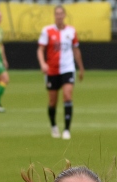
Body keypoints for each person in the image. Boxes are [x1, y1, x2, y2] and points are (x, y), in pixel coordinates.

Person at [37, 5, 84, 140]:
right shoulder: (47, 31)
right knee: (52, 101)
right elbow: (40, 49)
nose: (59, 16)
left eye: (61, 13)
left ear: (64, 15)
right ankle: (53, 126)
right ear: (54, 15)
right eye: (56, 13)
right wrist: (43, 64)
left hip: (68, 68)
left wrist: (81, 67)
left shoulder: (71, 31)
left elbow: (76, 50)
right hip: (51, 70)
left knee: (68, 95)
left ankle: (67, 130)